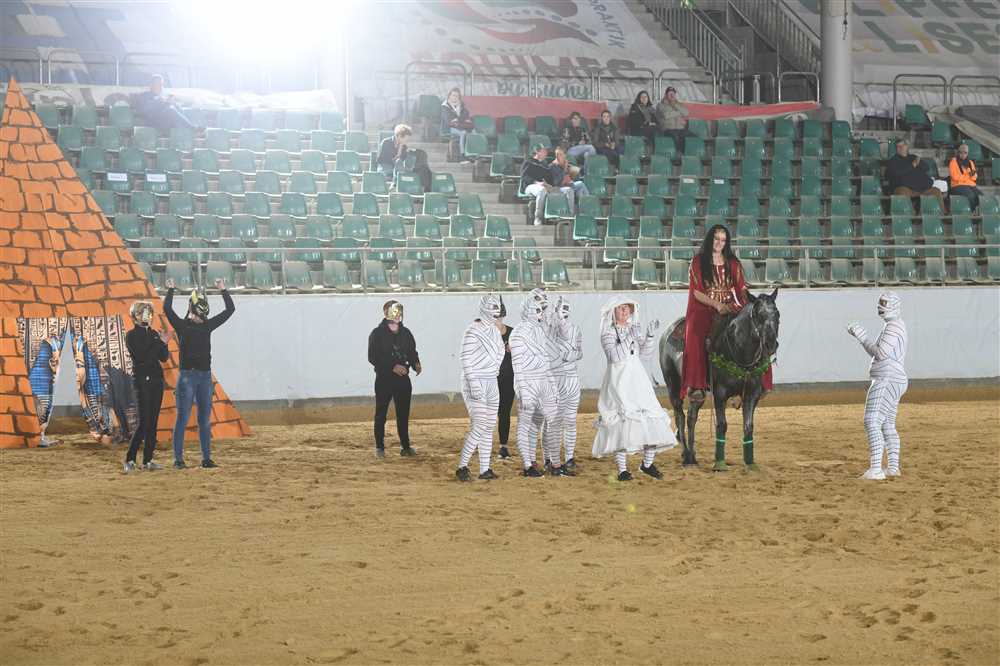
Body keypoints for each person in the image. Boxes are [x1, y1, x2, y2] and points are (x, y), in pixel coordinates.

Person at [681, 225, 773, 402]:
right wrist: (717, 305)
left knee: (756, 330)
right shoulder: (698, 261)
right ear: (710, 239)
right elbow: (696, 292)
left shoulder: (732, 262)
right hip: (704, 307)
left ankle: (761, 380)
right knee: (695, 334)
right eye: (716, 239)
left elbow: (741, 288)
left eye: (723, 240)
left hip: (729, 305)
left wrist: (751, 303)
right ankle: (697, 384)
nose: (719, 243)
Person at [593, 297, 676, 481]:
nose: (625, 311)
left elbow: (645, 354)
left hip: (637, 378)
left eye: (627, 308)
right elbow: (615, 356)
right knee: (622, 421)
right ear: (613, 311)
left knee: (650, 416)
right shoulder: (607, 332)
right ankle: (622, 470)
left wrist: (650, 335)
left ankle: (647, 464)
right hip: (619, 379)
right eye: (621, 308)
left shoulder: (633, 328)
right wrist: (631, 335)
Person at [164, 278, 235, 469]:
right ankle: (178, 460)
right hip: (188, 376)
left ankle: (206, 458)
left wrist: (223, 289)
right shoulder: (183, 326)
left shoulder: (205, 325)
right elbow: (167, 309)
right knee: (182, 418)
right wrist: (170, 290)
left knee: (204, 420)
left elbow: (230, 309)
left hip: (203, 376)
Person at [510, 289, 571, 477]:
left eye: (541, 309)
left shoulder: (539, 330)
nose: (541, 313)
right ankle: (528, 465)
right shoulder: (518, 333)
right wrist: (523, 389)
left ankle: (555, 464)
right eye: (537, 310)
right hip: (527, 382)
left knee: (553, 421)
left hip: (543, 380)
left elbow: (545, 359)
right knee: (526, 423)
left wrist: (551, 384)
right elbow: (517, 364)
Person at [847, 292, 908, 480]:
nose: (881, 308)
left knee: (872, 421)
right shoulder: (894, 325)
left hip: (887, 379)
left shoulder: (894, 327)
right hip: (893, 379)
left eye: (884, 304)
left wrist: (862, 337)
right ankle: (893, 467)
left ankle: (876, 468)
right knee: (887, 424)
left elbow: (881, 354)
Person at [456, 294, 507, 482]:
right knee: (479, 424)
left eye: (497, 307)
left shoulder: (494, 331)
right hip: (475, 381)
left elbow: (500, 352)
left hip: (491, 381)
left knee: (489, 425)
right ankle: (462, 466)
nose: (497, 311)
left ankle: (485, 468)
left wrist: (494, 371)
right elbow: (465, 358)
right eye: (493, 307)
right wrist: (473, 382)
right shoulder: (472, 331)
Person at [368, 300, 421, 458]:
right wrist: (392, 366)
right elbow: (373, 357)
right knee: (381, 414)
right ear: (386, 313)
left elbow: (412, 352)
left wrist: (416, 363)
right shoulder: (377, 334)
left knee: (403, 414)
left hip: (403, 380)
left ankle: (405, 447)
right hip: (384, 380)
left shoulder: (406, 333)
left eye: (399, 311)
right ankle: (380, 447)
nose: (398, 314)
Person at [123, 301, 171, 473]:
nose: (147, 316)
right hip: (142, 381)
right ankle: (130, 459)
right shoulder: (131, 335)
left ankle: (148, 460)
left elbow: (163, 357)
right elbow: (143, 357)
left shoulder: (154, 334)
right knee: (144, 422)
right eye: (142, 313)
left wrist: (164, 343)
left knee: (153, 422)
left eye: (149, 313)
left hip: (156, 380)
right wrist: (159, 342)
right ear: (134, 316)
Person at [547, 296, 583, 470]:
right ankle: (549, 458)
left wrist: (570, 355)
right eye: (561, 309)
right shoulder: (548, 330)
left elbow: (580, 352)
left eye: (566, 310)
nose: (564, 314)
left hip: (572, 378)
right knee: (552, 420)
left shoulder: (575, 329)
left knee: (570, 420)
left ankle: (569, 457)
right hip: (555, 379)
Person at [886, 139, 944, 205]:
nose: (901, 148)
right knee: (902, 192)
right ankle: (909, 210)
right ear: (896, 149)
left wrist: (919, 163)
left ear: (907, 146)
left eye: (903, 145)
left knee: (936, 191)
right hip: (905, 188)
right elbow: (897, 173)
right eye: (898, 146)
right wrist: (912, 165)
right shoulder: (893, 161)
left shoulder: (913, 157)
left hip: (921, 187)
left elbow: (926, 168)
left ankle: (942, 211)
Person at [519, 142, 555, 226]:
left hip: (543, 187)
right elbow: (524, 176)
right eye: (544, 151)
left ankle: (553, 216)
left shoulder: (545, 165)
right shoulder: (528, 161)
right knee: (541, 190)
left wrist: (549, 185)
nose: (546, 153)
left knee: (560, 191)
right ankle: (538, 217)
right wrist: (536, 182)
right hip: (529, 186)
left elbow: (550, 180)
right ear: (537, 152)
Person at [496, 298, 515, 459]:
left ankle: (503, 445)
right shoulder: (486, 333)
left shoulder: (512, 333)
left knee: (504, 412)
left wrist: (513, 350)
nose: (498, 318)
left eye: (499, 315)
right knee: (488, 413)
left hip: (508, 378)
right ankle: (481, 443)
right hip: (490, 378)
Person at [549, 146, 589, 215]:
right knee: (580, 184)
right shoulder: (552, 166)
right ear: (556, 156)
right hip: (558, 188)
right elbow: (556, 183)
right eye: (559, 155)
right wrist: (564, 170)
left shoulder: (566, 165)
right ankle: (571, 213)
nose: (563, 157)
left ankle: (583, 213)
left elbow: (576, 178)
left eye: (563, 155)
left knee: (580, 190)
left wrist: (572, 172)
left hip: (569, 185)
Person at [440, 87, 474, 161]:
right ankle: (462, 154)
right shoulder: (445, 107)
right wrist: (460, 119)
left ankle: (472, 154)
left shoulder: (461, 106)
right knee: (463, 133)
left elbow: (466, 116)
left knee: (473, 132)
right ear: (449, 96)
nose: (455, 97)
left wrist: (458, 119)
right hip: (448, 128)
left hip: (459, 126)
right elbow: (449, 121)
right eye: (453, 95)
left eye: (457, 96)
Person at [655, 86, 691, 154]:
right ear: (666, 95)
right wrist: (679, 112)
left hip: (680, 128)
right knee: (676, 136)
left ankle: (689, 154)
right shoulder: (661, 105)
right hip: (668, 129)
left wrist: (675, 105)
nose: (672, 95)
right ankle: (678, 154)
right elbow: (666, 115)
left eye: (673, 93)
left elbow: (686, 113)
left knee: (692, 136)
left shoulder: (679, 104)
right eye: (670, 94)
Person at [948, 143, 982, 212]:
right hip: (957, 185)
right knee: (971, 196)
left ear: (967, 153)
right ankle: (972, 213)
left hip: (971, 185)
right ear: (958, 152)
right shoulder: (953, 162)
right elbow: (955, 177)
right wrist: (968, 176)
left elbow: (975, 177)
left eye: (965, 153)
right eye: (961, 152)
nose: (963, 154)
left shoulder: (970, 162)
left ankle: (980, 213)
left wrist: (967, 176)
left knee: (981, 196)